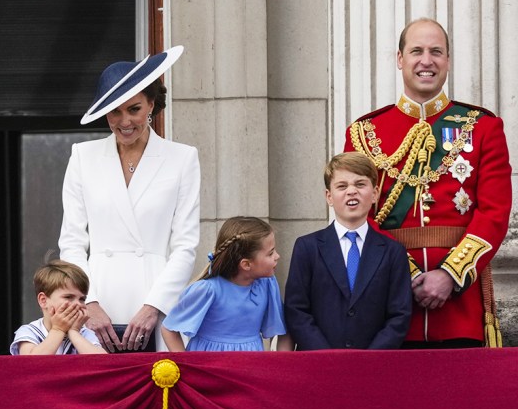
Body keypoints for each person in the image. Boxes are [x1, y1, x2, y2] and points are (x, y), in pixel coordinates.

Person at [344, 18, 512, 348]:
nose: (426, 60)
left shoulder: (483, 127)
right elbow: (356, 215)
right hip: (390, 302)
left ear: (447, 60)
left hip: (460, 306)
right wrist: (404, 275)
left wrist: (449, 275)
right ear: (399, 59)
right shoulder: (364, 133)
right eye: (416, 51)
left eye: (436, 51)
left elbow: (494, 212)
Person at [59, 45, 200, 352]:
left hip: (157, 299)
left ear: (151, 104)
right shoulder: (83, 157)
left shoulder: (182, 159)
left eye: (134, 109)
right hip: (98, 302)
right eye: (115, 111)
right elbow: (71, 242)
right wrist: (89, 302)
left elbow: (185, 245)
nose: (125, 121)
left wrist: (154, 306)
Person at [284, 152, 412, 350]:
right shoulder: (307, 247)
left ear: (375, 193)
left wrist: (369, 359)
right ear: (329, 196)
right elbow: (296, 310)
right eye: (342, 186)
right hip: (319, 364)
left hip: (374, 365)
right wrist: (327, 356)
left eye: (360, 184)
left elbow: (399, 315)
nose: (351, 191)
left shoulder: (393, 251)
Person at [161, 216, 291, 352]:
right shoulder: (207, 290)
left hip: (250, 364)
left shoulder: (267, 284)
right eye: (270, 253)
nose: (277, 256)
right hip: (209, 364)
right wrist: (186, 366)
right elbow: (169, 328)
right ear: (246, 264)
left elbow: (283, 330)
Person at [10, 259, 106, 355]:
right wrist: (58, 329)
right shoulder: (29, 332)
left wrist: (74, 332)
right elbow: (31, 364)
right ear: (43, 300)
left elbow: (102, 362)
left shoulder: (84, 333)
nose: (78, 304)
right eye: (69, 297)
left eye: (82, 299)